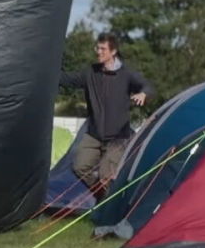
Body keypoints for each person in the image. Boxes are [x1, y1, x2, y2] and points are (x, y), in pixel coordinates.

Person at [58, 32, 152, 195]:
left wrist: (144, 94)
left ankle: (110, 208)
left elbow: (147, 86)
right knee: (80, 166)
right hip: (94, 134)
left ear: (113, 51)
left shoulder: (126, 75)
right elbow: (67, 79)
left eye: (102, 49)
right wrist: (47, 71)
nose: (98, 51)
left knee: (106, 175)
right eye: (97, 47)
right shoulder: (90, 73)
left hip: (117, 137)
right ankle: (102, 196)